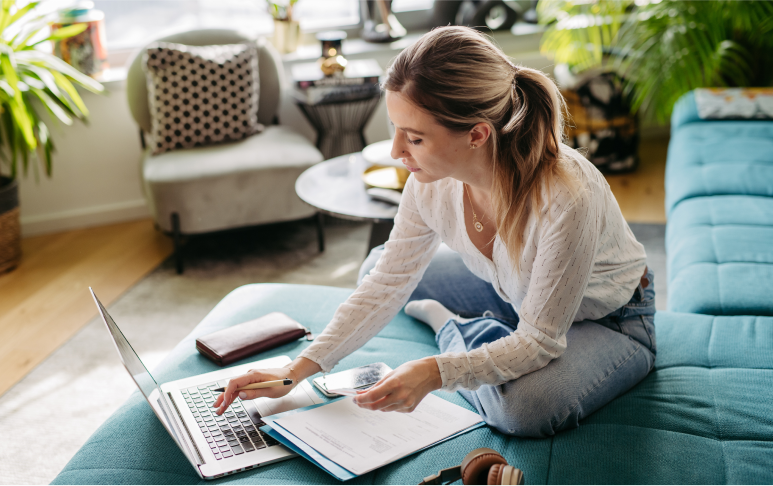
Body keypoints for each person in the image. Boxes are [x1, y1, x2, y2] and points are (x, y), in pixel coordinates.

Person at [213, 26, 655, 438]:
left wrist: (434, 371)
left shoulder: (565, 195)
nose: (396, 151)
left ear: (478, 134)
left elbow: (540, 342)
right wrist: (295, 372)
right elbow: (387, 283)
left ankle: (453, 329)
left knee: (524, 410)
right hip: (513, 297)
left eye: (415, 138)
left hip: (610, 321)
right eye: (395, 130)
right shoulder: (431, 184)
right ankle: (486, 335)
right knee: (376, 266)